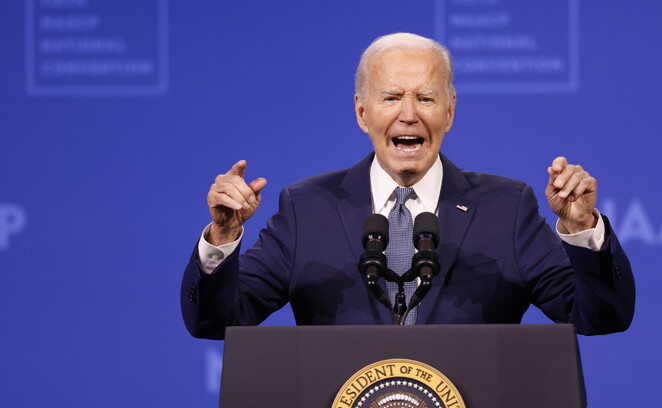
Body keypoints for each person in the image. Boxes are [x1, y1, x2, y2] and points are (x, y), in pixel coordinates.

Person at [181, 33, 635, 340]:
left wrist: (583, 230)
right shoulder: (307, 208)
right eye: (392, 97)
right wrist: (222, 239)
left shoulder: (506, 208)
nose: (409, 114)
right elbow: (217, 322)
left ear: (450, 111)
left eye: (426, 97)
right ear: (362, 113)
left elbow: (601, 317)